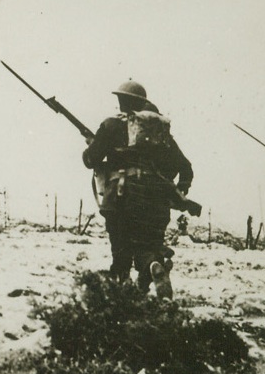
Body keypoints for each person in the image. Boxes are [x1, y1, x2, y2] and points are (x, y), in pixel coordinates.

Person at [82, 80, 193, 298]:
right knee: (148, 248)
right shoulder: (160, 133)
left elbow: (90, 160)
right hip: (157, 201)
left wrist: (91, 144)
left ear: (121, 100)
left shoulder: (111, 125)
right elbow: (185, 168)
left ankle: (123, 300)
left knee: (121, 253)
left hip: (122, 198)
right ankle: (153, 267)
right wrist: (178, 192)